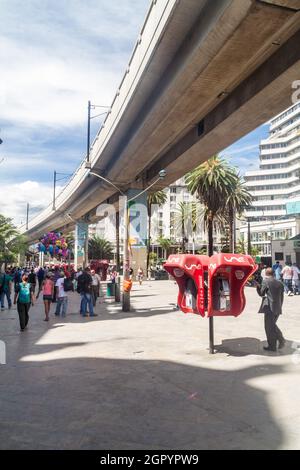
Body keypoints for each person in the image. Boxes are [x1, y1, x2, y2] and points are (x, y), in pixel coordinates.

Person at [256, 267, 285, 352]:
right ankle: (280, 340)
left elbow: (261, 293)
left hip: (269, 308)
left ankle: (274, 344)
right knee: (272, 325)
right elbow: (281, 297)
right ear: (273, 273)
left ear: (266, 274)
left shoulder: (266, 281)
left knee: (269, 327)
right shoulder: (280, 283)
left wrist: (258, 287)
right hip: (278, 307)